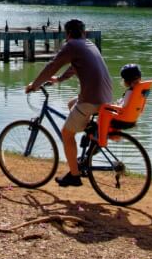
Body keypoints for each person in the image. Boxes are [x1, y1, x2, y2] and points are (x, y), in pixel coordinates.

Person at [25, 19, 112, 188]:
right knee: (72, 103)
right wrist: (60, 79)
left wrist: (34, 85)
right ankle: (91, 137)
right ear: (83, 32)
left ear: (68, 34)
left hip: (91, 99)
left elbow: (52, 65)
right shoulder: (88, 44)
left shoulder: (71, 45)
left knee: (66, 133)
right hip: (105, 97)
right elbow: (75, 66)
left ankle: (74, 175)